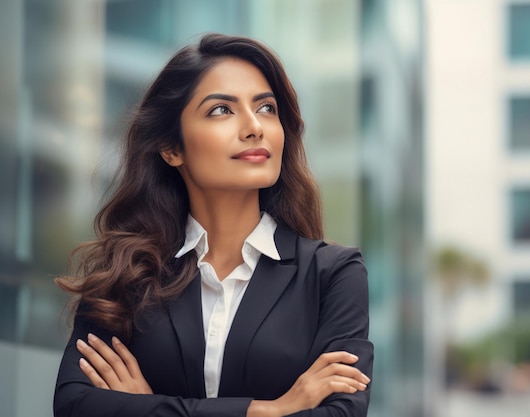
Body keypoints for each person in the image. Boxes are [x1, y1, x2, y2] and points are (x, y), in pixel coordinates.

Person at [53, 33, 373, 417]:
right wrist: (266, 410)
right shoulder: (125, 273)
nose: (255, 127)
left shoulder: (332, 274)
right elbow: (76, 406)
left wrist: (144, 407)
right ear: (172, 148)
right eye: (222, 110)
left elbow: (341, 413)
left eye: (267, 108)